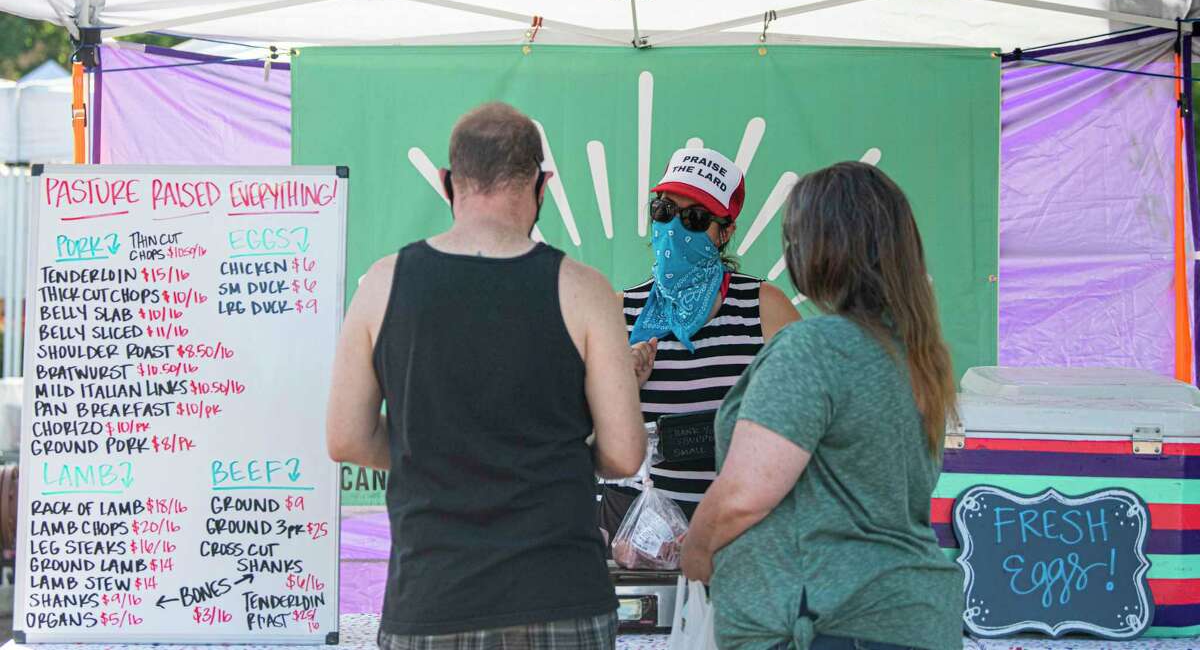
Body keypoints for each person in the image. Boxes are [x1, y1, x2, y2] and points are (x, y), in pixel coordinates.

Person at [326, 102, 646, 650]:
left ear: (449, 183)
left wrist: (429, 452)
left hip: (430, 598)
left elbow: (346, 438)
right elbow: (623, 454)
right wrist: (548, 455)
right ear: (541, 185)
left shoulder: (383, 284)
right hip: (560, 594)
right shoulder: (585, 290)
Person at [681, 162, 964, 650]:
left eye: (792, 237)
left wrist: (696, 553)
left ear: (817, 248)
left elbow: (744, 495)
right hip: (902, 616)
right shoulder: (914, 354)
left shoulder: (816, 346)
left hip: (831, 622)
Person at [601, 146, 797, 536]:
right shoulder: (619, 310)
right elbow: (585, 442)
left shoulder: (763, 308)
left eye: (693, 218)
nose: (673, 227)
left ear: (724, 232)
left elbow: (809, 424)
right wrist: (621, 385)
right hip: (638, 545)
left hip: (739, 544)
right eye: (664, 211)